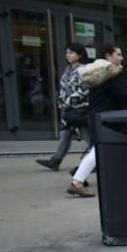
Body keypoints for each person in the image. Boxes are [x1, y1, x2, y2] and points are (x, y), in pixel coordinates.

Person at [67, 43, 127, 198]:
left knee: (98, 149)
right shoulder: (112, 72)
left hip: (96, 115)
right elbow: (122, 96)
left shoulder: (97, 72)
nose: (122, 58)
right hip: (110, 117)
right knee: (99, 150)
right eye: (118, 54)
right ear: (108, 56)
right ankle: (77, 181)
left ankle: (79, 179)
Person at [37, 42, 89, 171]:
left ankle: (94, 161)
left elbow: (84, 90)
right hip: (68, 109)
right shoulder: (67, 69)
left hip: (80, 109)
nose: (68, 55)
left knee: (89, 137)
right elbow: (63, 88)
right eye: (67, 53)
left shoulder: (84, 69)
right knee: (65, 134)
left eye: (71, 53)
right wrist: (60, 101)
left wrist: (67, 102)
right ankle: (56, 160)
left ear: (80, 54)